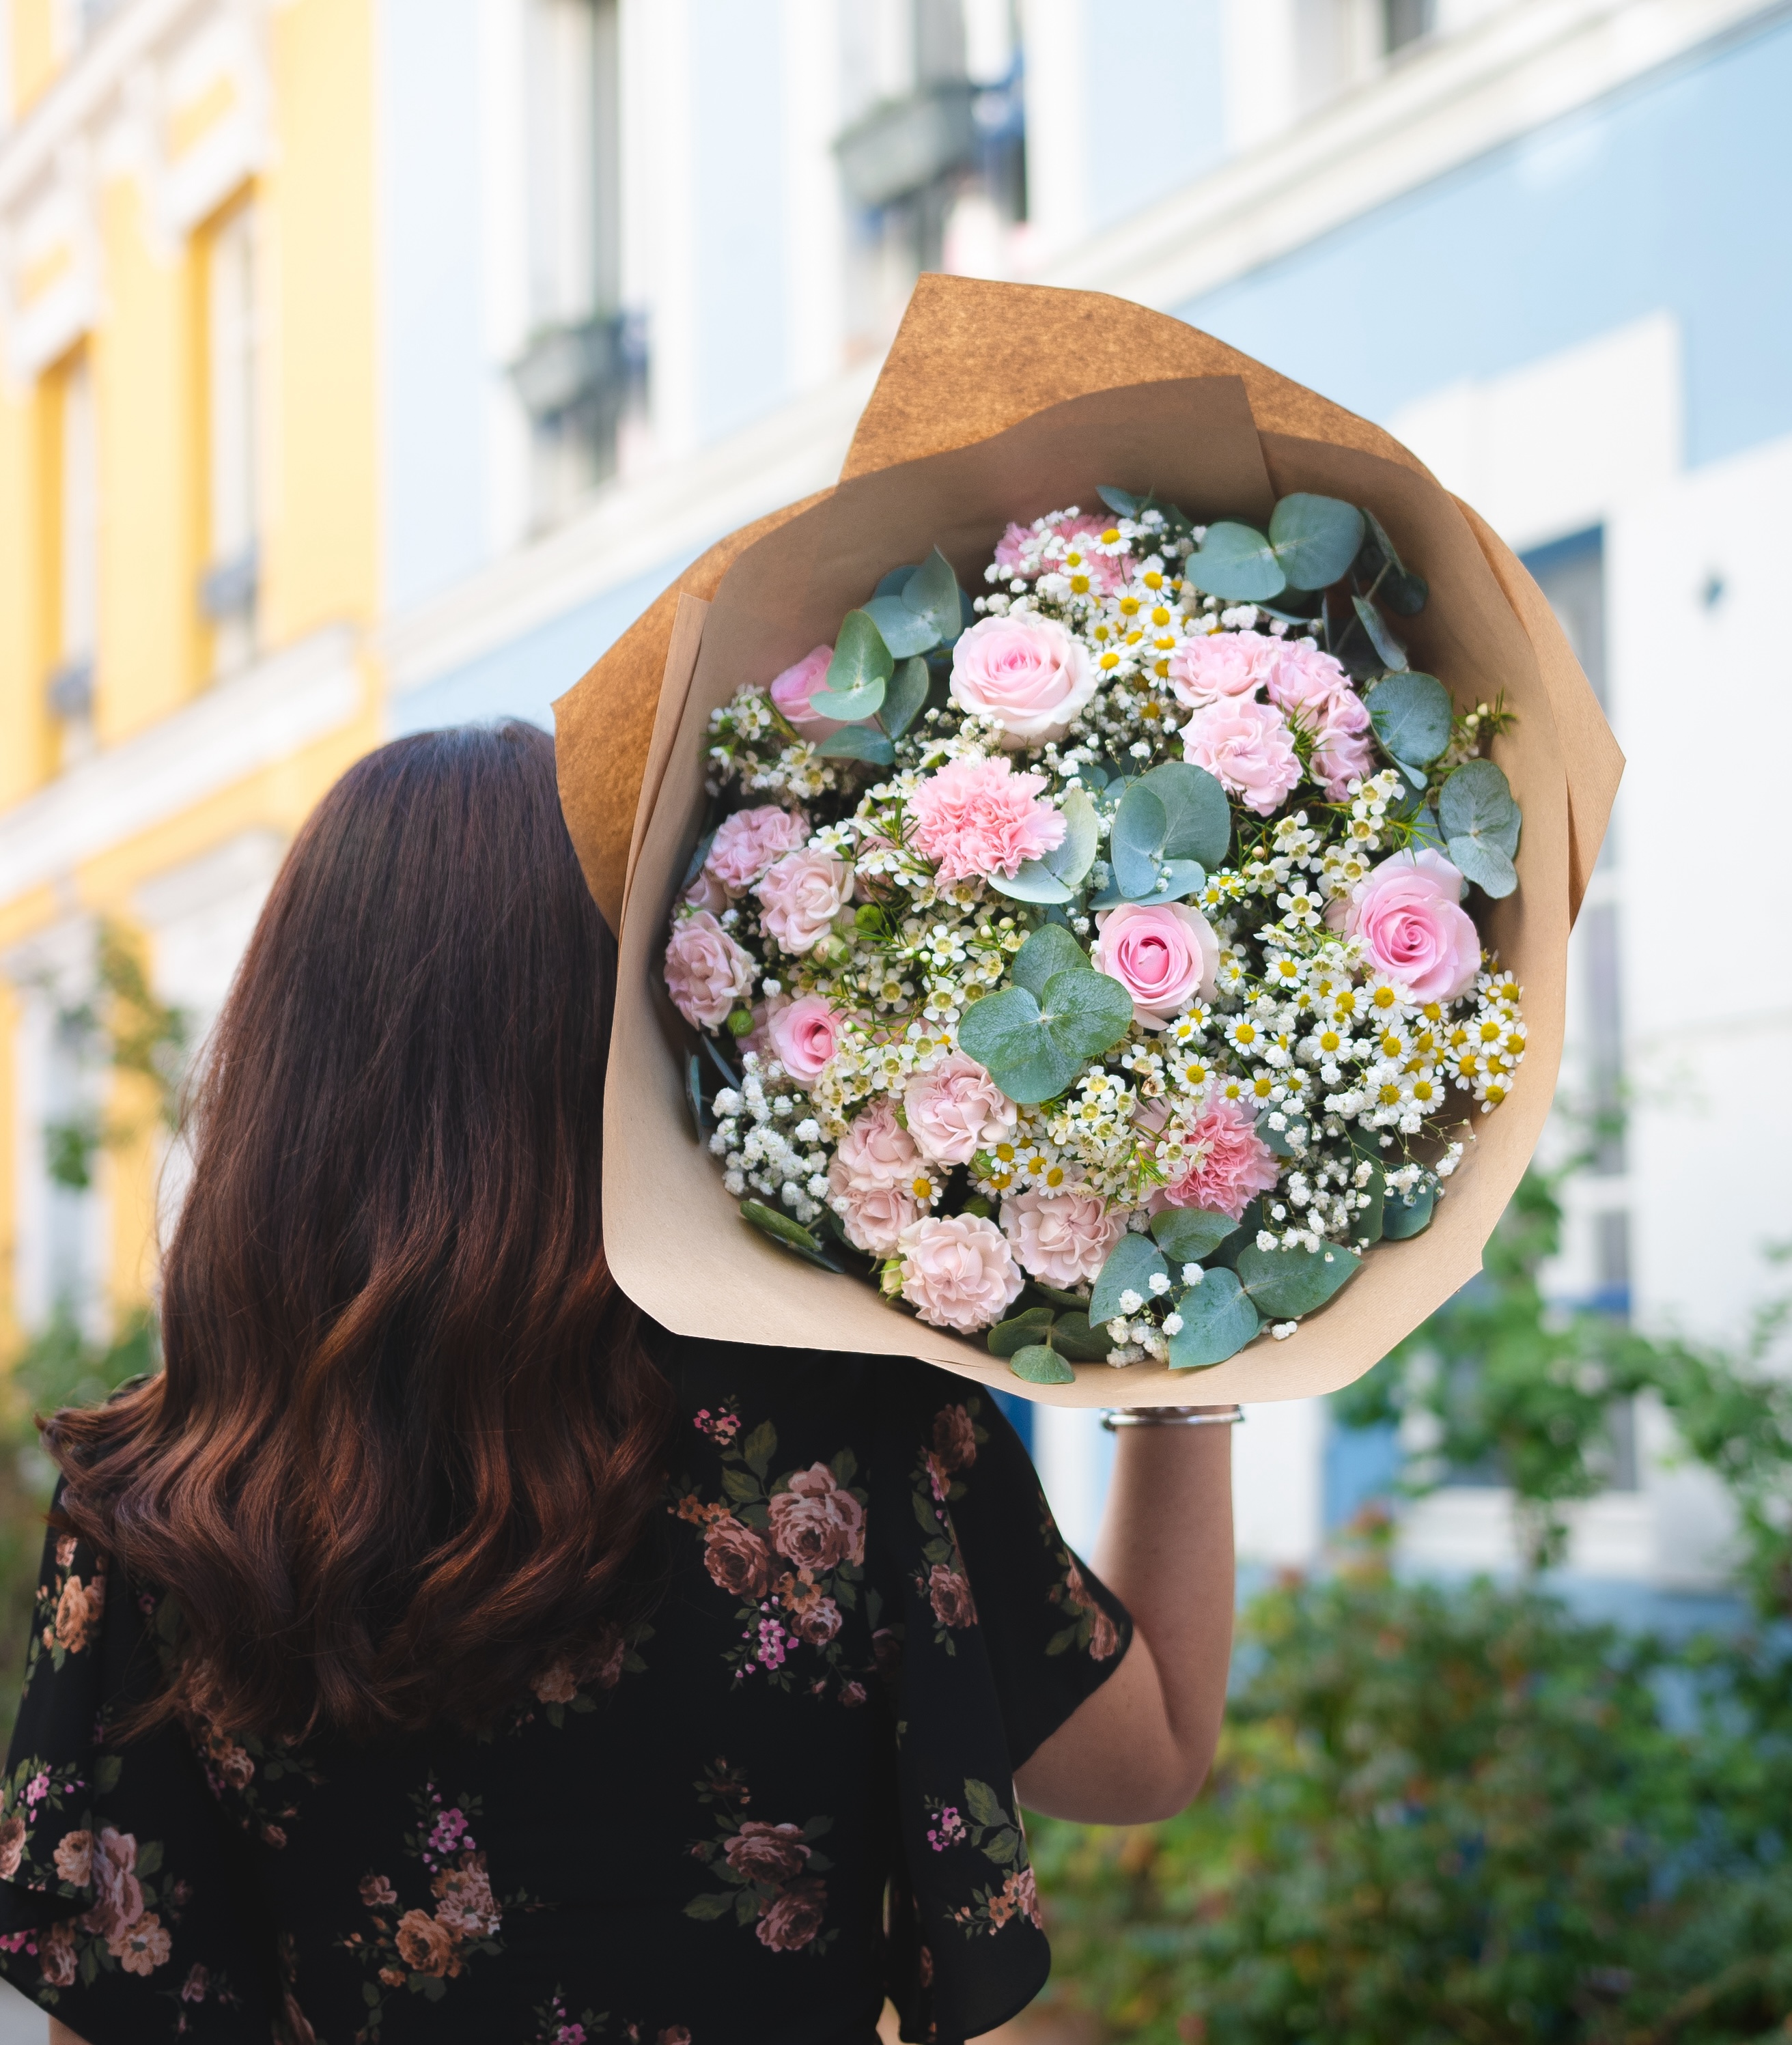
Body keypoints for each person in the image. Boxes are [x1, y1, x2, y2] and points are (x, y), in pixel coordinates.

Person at [0, 724, 1235, 2045]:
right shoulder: (844, 1420)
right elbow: (1149, 1749)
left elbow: (114, 2008)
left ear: (288, 1062)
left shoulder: (161, 1496)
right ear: (639, 1007)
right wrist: (1187, 1332)